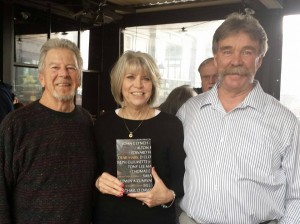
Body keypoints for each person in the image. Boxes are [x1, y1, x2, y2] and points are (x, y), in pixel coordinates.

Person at [177, 12, 300, 224]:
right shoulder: (189, 111)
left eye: (247, 52)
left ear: (259, 60)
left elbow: (297, 195)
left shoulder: (285, 121)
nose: (236, 61)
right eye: (227, 51)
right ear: (216, 58)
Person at [0, 38, 97, 223]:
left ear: (79, 78)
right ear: (42, 77)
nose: (63, 74)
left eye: (71, 67)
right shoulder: (16, 124)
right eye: (54, 67)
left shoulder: (86, 121)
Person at [93, 50, 186, 224]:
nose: (138, 85)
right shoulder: (103, 124)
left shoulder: (171, 125)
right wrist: (98, 181)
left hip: (156, 218)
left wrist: (168, 195)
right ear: (119, 82)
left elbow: (182, 178)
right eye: (130, 77)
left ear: (153, 84)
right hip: (109, 217)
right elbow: (92, 171)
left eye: (146, 78)